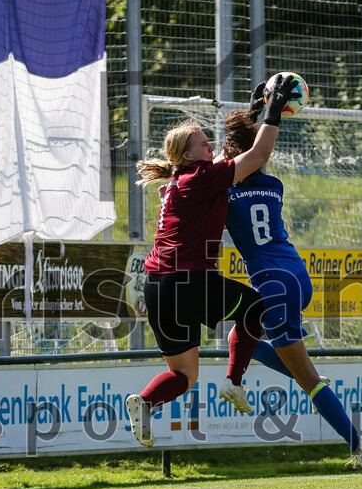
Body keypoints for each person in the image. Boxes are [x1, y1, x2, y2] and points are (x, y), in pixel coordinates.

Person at [124, 77, 301, 448]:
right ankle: (234, 382)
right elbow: (257, 157)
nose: (212, 146)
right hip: (189, 281)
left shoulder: (181, 179)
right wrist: (272, 112)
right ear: (189, 155)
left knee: (184, 376)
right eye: (204, 143)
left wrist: (253, 112)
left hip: (157, 287)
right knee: (257, 307)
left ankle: (145, 402)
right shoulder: (202, 178)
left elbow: (229, 156)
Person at [217, 103, 362, 484]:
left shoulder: (223, 192)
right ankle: (286, 378)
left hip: (272, 286)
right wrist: (256, 111)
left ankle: (358, 443)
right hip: (297, 277)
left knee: (309, 379)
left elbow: (225, 178)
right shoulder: (275, 186)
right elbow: (253, 159)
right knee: (244, 339)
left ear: (231, 154)